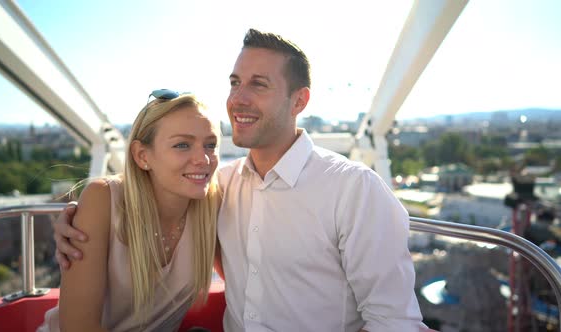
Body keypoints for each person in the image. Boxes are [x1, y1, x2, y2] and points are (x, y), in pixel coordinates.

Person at [54, 29, 427, 331]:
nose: (238, 98)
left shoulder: (354, 189)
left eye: (258, 85)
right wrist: (78, 218)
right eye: (235, 82)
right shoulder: (220, 188)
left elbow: (394, 321)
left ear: (299, 101)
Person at [39, 91, 221, 331]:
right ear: (142, 156)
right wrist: (84, 216)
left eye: (210, 144)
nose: (204, 159)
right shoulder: (103, 199)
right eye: (182, 145)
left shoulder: (214, 203)